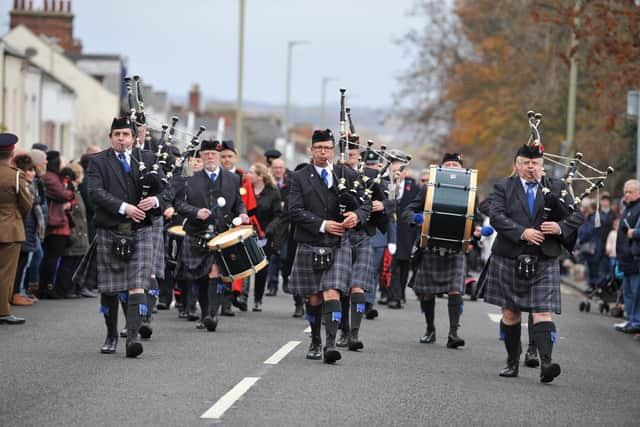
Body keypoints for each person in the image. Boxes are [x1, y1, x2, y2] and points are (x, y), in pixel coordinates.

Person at [484, 143, 583, 382]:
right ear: (516, 165)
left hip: (544, 257)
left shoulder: (557, 187)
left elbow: (577, 215)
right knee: (510, 312)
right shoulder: (503, 187)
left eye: (535, 163)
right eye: (526, 163)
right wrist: (522, 232)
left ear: (542, 166)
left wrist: (561, 227)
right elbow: (496, 216)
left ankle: (546, 364)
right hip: (510, 254)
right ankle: (511, 363)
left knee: (542, 311)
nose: (531, 167)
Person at [73, 117, 165, 357]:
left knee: (137, 285)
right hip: (111, 229)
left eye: (125, 134)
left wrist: (155, 201)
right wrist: (125, 207)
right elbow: (96, 193)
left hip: (142, 231)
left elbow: (168, 190)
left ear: (135, 138)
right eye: (117, 134)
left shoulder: (148, 160)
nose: (121, 138)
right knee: (110, 288)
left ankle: (132, 338)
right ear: (111, 137)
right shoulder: (98, 161)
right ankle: (111, 334)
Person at [288, 129, 371, 363]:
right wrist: (323, 224)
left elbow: (365, 203)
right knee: (314, 298)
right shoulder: (299, 177)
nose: (323, 152)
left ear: (334, 150)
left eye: (327, 148)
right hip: (311, 241)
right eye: (318, 148)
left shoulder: (345, 173)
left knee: (332, 291)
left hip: (339, 243)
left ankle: (330, 345)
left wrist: (356, 215)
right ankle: (315, 339)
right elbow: (293, 211)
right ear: (311, 151)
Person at [175, 139, 249, 332]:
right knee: (200, 276)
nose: (210, 157)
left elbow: (238, 202)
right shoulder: (190, 178)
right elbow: (179, 204)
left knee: (215, 272)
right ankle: (205, 312)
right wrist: (195, 212)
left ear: (219, 156)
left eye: (214, 154)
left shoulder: (232, 179)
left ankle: (212, 315)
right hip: (197, 232)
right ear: (200, 156)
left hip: (222, 234)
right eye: (206, 153)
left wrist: (243, 213)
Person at [404, 153, 470, 349]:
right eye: (448, 164)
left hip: (456, 247)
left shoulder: (468, 190)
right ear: (441, 169)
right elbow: (408, 210)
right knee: (426, 292)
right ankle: (430, 329)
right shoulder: (429, 189)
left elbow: (475, 216)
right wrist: (415, 218)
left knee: (455, 290)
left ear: (462, 169)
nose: (451, 167)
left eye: (455, 165)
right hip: (431, 245)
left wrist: (476, 229)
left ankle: (453, 333)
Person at [336, 137, 387, 350]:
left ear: (360, 155)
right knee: (341, 289)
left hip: (363, 235)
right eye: (347, 153)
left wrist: (381, 205)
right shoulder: (333, 175)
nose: (351, 157)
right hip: (338, 235)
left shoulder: (372, 177)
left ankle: (354, 334)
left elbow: (391, 204)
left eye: (355, 153)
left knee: (357, 286)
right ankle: (343, 330)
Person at [218, 139, 256, 313]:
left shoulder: (242, 178)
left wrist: (245, 222)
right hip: (219, 225)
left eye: (230, 156)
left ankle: (239, 296)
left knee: (240, 264)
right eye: (223, 156)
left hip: (238, 226)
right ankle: (224, 302)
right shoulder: (215, 176)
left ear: (235, 158)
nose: (226, 159)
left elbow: (248, 204)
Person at [0, 133, 33, 325]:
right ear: (12, 152)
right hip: (10, 228)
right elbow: (26, 204)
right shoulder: (16, 176)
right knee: (5, 273)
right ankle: (3, 311)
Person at [38, 150, 75, 299]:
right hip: (56, 224)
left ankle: (47, 287)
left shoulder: (53, 177)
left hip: (58, 221)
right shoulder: (50, 178)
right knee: (51, 258)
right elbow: (64, 194)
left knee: (51, 258)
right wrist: (71, 188)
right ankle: (46, 288)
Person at [385, 158, 420, 309]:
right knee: (392, 263)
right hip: (389, 229)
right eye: (394, 171)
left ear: (405, 172)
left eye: (399, 171)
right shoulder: (384, 183)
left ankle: (401, 293)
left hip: (407, 231)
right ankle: (394, 296)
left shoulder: (413, 187)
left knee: (404, 264)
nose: (396, 174)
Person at [56, 163, 95, 298]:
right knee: (69, 263)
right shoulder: (70, 191)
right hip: (74, 231)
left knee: (76, 262)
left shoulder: (76, 190)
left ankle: (73, 287)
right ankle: (65, 288)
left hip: (80, 231)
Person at [247, 163, 282, 312]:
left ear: (260, 176)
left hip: (264, 234)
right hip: (246, 232)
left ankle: (257, 299)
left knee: (261, 268)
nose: (248, 175)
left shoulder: (273, 192)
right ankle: (241, 295)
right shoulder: (245, 190)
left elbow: (278, 215)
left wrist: (268, 230)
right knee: (245, 266)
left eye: (252, 173)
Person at [615, 179, 640, 334]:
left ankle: (637, 321)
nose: (627, 195)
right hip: (626, 257)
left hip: (636, 258)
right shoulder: (628, 208)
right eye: (625, 192)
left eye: (630, 192)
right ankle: (631, 320)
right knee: (629, 292)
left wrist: (635, 233)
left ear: (638, 192)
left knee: (636, 292)